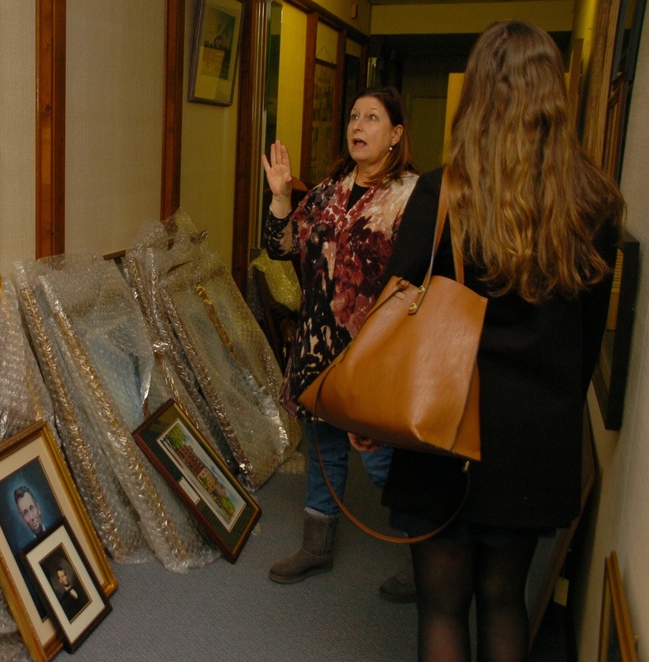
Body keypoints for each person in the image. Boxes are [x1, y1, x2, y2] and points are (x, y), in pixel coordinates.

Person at [378, 21, 624, 661]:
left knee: (441, 607)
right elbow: (585, 343)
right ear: (555, 95)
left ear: (478, 95)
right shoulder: (593, 202)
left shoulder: (442, 192)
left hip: (444, 427)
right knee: (505, 600)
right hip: (534, 440)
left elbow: (396, 303)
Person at [261, 86, 419, 600]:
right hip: (317, 346)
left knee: (381, 458)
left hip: (374, 352)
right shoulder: (329, 190)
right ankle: (317, 544)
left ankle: (426, 556)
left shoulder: (412, 196)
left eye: (372, 118)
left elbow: (424, 279)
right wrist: (282, 197)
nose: (358, 125)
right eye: (354, 116)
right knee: (324, 447)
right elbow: (280, 247)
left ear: (396, 134)